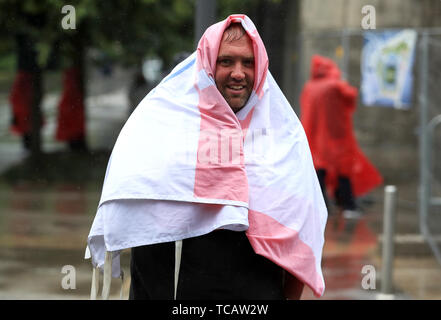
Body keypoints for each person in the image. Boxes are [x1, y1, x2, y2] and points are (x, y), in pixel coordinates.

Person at [86, 15, 327, 300]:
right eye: (226, 61)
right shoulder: (162, 125)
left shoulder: (284, 138)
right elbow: (137, 207)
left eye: (248, 62)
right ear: (208, 65)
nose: (238, 72)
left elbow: (299, 234)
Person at [300, 55, 383, 218]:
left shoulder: (309, 87)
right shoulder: (333, 85)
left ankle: (324, 207)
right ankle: (347, 205)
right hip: (334, 137)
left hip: (313, 136)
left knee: (319, 173)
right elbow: (350, 96)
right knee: (343, 171)